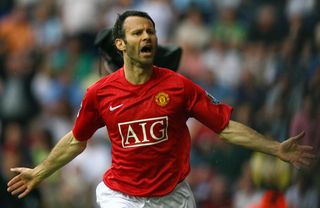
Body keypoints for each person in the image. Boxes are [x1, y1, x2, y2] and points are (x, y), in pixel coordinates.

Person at [7, 10, 316, 208]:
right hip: (122, 197)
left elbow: (226, 127)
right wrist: (39, 172)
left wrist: (275, 148)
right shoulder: (100, 93)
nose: (147, 37)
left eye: (151, 32)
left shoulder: (179, 87)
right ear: (120, 45)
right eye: (137, 33)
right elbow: (76, 140)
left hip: (174, 197)